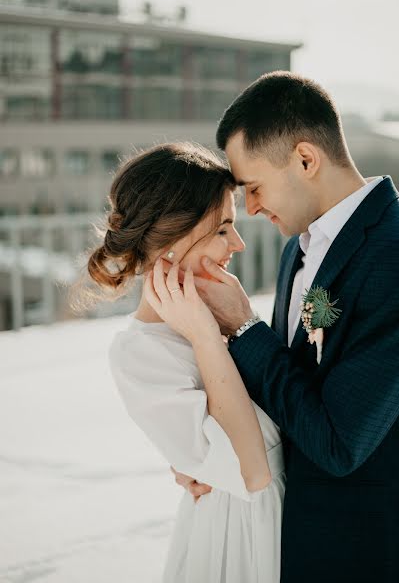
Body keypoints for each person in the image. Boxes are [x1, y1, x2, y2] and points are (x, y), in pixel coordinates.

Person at [166, 71, 399, 583]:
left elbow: (340, 442)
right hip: (283, 542)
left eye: (253, 187)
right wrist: (205, 451)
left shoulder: (394, 255)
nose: (249, 209)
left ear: (306, 159)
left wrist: (245, 327)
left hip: (360, 551)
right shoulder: (296, 246)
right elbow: (288, 392)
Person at [86, 143, 285, 583]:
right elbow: (252, 472)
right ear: (172, 240)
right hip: (243, 542)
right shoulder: (140, 355)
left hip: (298, 526)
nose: (239, 243)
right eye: (222, 229)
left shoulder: (228, 312)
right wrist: (202, 336)